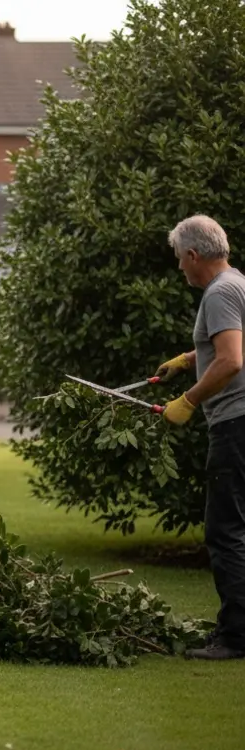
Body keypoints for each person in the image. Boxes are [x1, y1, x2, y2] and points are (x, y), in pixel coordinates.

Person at [156, 214, 245, 660]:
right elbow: (228, 347)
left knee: (225, 529)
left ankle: (235, 637)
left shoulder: (220, 293)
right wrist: (189, 358)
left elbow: (231, 361)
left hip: (235, 422)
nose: (179, 269)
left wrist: (187, 402)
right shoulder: (239, 283)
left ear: (194, 255)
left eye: (179, 259)